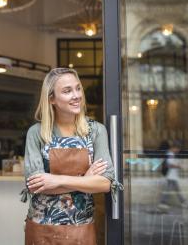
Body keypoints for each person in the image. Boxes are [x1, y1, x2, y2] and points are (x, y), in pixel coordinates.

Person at [22, 68, 121, 245]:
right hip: (42, 228)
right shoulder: (36, 133)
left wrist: (56, 181)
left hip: (81, 228)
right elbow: (36, 185)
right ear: (51, 99)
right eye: (67, 91)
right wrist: (85, 180)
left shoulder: (96, 131)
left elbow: (106, 183)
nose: (76, 95)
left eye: (78, 88)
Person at [158, 140, 187, 211]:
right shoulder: (170, 154)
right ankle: (163, 203)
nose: (178, 151)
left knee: (174, 189)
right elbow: (170, 164)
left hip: (172, 176)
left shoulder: (171, 154)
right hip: (171, 175)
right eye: (178, 149)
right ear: (174, 147)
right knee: (171, 190)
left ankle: (183, 202)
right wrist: (179, 166)